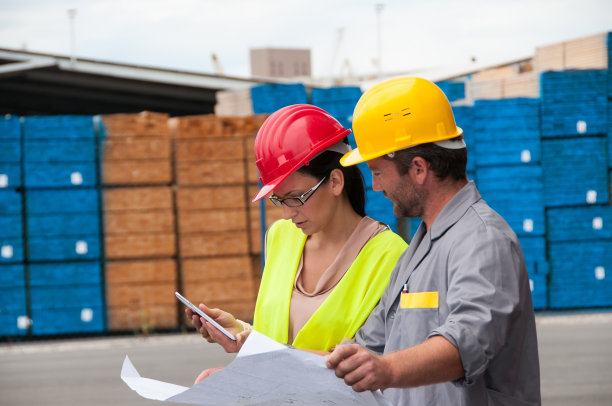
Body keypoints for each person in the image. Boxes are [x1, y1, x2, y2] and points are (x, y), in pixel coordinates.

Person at [326, 77, 541, 405]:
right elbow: (363, 352)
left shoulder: (483, 241)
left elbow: (466, 342)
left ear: (418, 169)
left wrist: (387, 369)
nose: (375, 186)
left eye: (378, 172)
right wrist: (254, 351)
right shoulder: (418, 251)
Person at [186, 104, 407, 381]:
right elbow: (283, 341)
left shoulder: (390, 256)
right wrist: (241, 331)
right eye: (278, 200)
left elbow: (378, 360)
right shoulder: (280, 237)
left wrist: (267, 355)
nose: (287, 213)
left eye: (295, 197)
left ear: (336, 182)